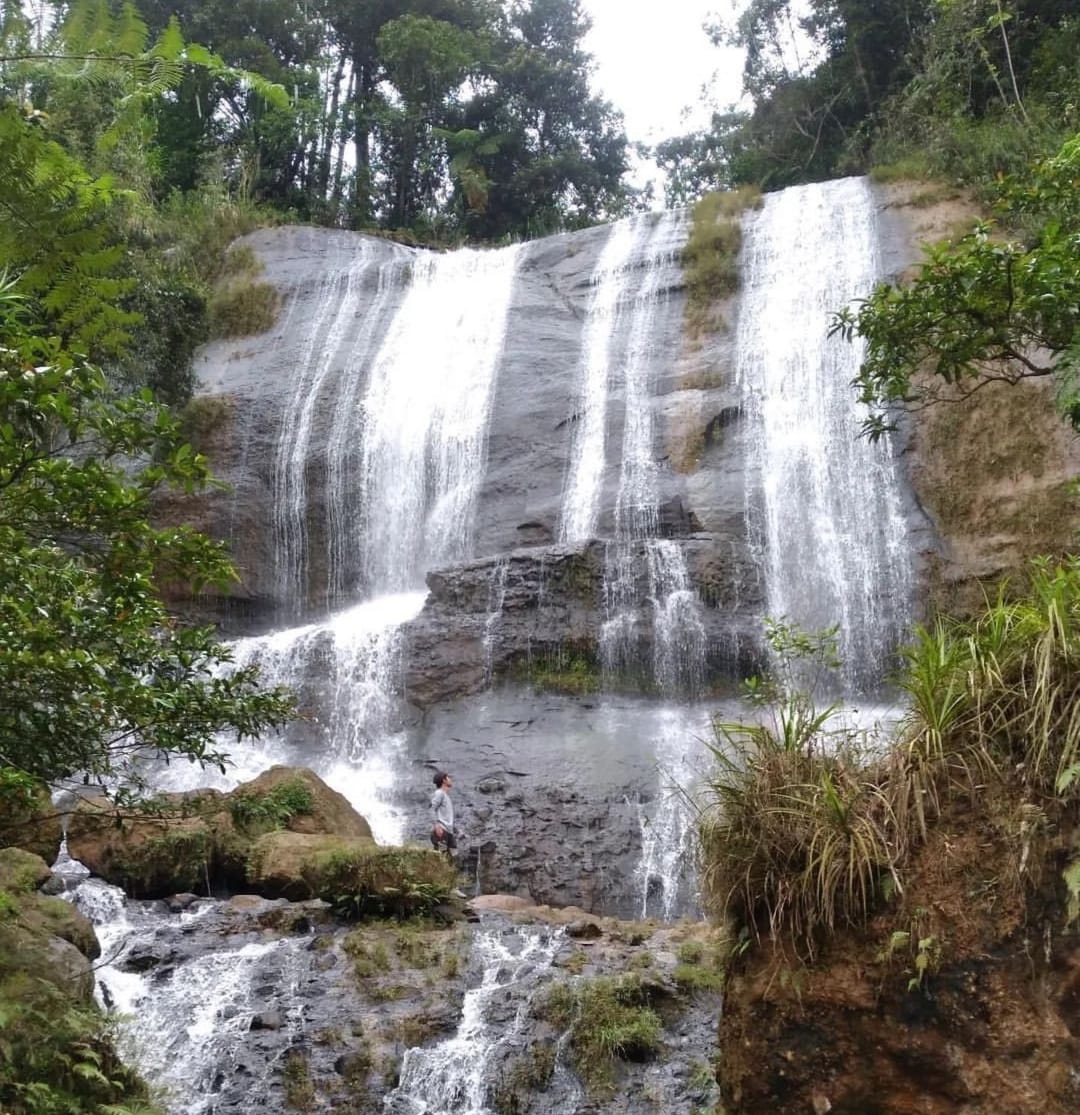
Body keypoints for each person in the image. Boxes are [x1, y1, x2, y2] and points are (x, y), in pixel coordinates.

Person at [430, 771, 456, 858]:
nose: (450, 779)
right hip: (441, 831)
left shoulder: (445, 796)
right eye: (448, 777)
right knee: (441, 857)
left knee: (453, 857)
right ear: (444, 780)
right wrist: (437, 826)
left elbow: (447, 817)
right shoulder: (439, 793)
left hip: (448, 832)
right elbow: (431, 809)